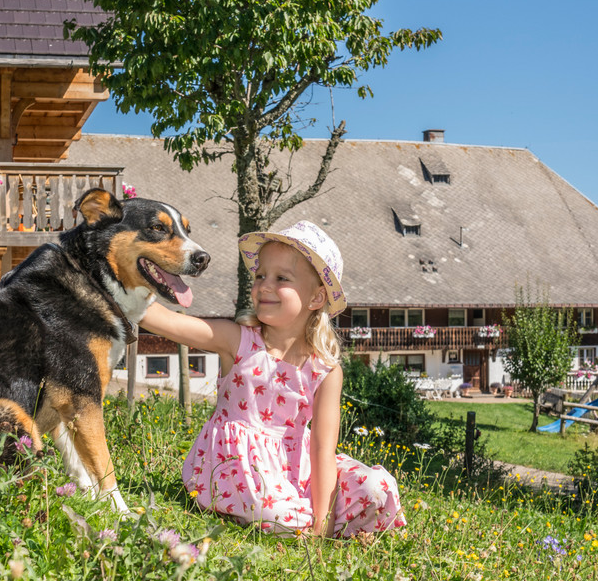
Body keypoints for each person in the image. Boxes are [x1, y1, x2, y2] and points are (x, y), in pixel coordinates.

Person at [140, 221, 406, 538]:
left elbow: (323, 450)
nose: (264, 285)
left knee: (376, 485)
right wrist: (113, 276)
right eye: (260, 275)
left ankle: (319, 525)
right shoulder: (236, 340)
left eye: (281, 278)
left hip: (298, 466)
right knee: (273, 511)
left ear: (317, 297)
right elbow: (160, 320)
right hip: (239, 467)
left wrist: (322, 523)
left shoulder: (326, 370)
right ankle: (307, 524)